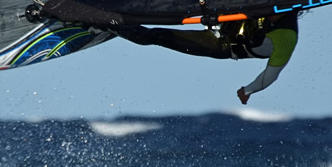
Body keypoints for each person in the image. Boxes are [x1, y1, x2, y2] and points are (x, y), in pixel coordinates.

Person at [109, 13, 298, 104]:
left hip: (220, 44)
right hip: (223, 17)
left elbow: (271, 75)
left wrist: (248, 90)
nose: (271, 12)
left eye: (277, 12)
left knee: (158, 36)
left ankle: (107, 24)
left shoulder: (286, 37)